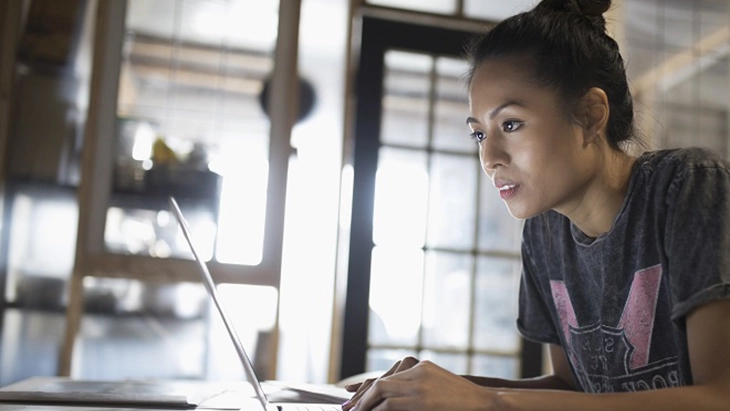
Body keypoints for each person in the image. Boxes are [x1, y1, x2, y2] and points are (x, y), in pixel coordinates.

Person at [341, 0, 730, 410]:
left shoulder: (689, 185)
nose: (490, 158)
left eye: (510, 124)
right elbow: (573, 387)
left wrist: (487, 401)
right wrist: (440, 387)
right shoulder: (545, 232)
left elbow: (720, 397)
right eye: (479, 134)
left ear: (590, 115)